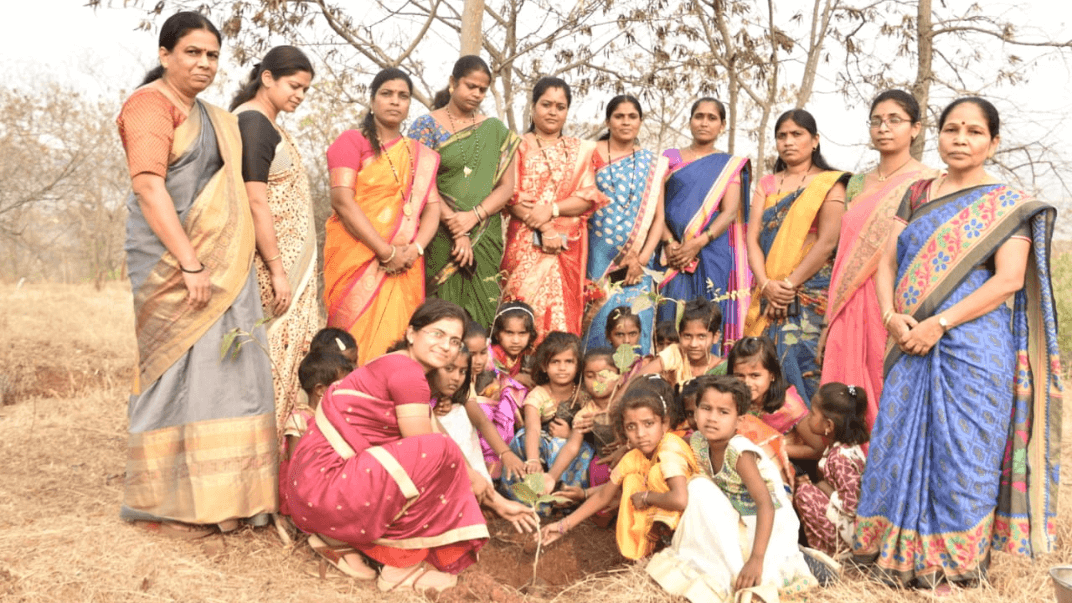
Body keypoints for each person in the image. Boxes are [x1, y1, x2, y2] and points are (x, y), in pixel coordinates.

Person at [854, 97, 1063, 590]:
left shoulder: (1008, 204)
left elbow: (1008, 281)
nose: (961, 140)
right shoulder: (918, 193)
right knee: (898, 440)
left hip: (972, 347)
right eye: (952, 130)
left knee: (962, 451)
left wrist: (939, 323)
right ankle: (895, 555)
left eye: (973, 132)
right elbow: (887, 262)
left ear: (993, 141)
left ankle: (954, 564)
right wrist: (891, 317)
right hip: (908, 340)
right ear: (938, 135)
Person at [117, 11, 276, 537]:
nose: (204, 63)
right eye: (192, 52)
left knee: (228, 374)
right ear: (165, 55)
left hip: (225, 265)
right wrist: (190, 262)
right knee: (172, 375)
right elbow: (149, 188)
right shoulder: (149, 106)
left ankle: (229, 497)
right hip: (172, 263)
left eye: (212, 54)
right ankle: (165, 501)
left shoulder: (220, 119)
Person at [282, 298, 538, 593]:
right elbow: (430, 452)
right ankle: (399, 570)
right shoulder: (408, 374)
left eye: (455, 341)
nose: (447, 346)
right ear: (412, 333)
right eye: (437, 334)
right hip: (326, 490)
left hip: (313, 492)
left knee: (443, 451)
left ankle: (337, 538)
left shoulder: (394, 364)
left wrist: (496, 499)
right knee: (439, 454)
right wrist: (479, 489)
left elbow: (434, 429)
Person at [818, 90, 935, 430]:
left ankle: (883, 466)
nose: (884, 127)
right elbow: (842, 249)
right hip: (847, 300)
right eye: (876, 121)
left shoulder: (928, 182)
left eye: (894, 120)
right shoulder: (855, 184)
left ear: (915, 128)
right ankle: (844, 467)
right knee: (841, 391)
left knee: (883, 385)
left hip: (892, 301)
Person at [646, 375, 817, 602]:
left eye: (723, 412)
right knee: (697, 487)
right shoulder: (698, 440)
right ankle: (719, 568)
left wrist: (756, 559)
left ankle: (743, 567)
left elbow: (766, 505)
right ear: (695, 412)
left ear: (739, 420)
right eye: (706, 408)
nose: (712, 418)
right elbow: (662, 443)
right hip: (736, 512)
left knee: (758, 577)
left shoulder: (739, 452)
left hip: (766, 519)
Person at [231, 46, 324, 441]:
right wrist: (277, 269)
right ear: (266, 78)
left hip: (290, 269)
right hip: (275, 271)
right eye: (293, 85)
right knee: (273, 362)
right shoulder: (253, 122)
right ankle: (260, 461)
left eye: (305, 89)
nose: (299, 95)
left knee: (291, 362)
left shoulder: (268, 122)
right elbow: (255, 200)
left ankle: (279, 469)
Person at [323, 68, 441, 366]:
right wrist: (385, 251)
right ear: (373, 100)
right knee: (351, 348)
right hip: (360, 260)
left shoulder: (419, 155)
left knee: (399, 344)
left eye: (403, 96)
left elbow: (432, 207)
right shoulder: (351, 142)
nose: (395, 101)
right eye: (386, 94)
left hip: (406, 263)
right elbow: (342, 201)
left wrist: (415, 249)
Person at [744, 108, 848, 403]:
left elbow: (828, 241)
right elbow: (752, 238)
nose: (788, 142)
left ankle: (812, 438)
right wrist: (766, 285)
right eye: (782, 136)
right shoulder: (766, 184)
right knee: (762, 367)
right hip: (768, 293)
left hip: (809, 293)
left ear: (814, 140)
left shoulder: (830, 182)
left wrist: (788, 286)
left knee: (803, 365)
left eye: (796, 135)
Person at [407, 56, 521, 326]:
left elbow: (507, 188)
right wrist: (457, 228)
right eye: (470, 86)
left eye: (482, 89)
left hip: (484, 235)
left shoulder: (494, 129)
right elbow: (421, 183)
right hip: (438, 234)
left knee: (482, 319)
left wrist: (474, 216)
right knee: (438, 315)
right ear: (452, 83)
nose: (476, 94)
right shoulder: (425, 127)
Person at [542, 379, 698, 560]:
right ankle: (643, 552)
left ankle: (673, 548)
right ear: (624, 431)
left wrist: (646, 498)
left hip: (694, 521)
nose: (640, 434)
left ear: (664, 424)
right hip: (672, 514)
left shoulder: (670, 449)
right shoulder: (633, 456)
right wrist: (562, 526)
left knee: (654, 476)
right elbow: (603, 496)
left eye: (648, 424)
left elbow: (680, 500)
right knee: (631, 480)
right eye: (631, 427)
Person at [500, 77, 600, 342]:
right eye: (546, 104)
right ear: (533, 107)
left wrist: (552, 210)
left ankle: (559, 374)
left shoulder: (579, 151)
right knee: (520, 311)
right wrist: (545, 227)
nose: (553, 112)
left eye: (560, 106)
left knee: (561, 320)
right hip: (524, 243)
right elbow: (510, 195)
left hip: (567, 248)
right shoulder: (516, 145)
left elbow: (587, 197)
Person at [659, 98, 751, 353]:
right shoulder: (670, 158)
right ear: (690, 121)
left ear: (722, 126)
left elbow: (730, 211)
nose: (704, 122)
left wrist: (697, 243)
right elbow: (657, 208)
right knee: (669, 316)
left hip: (712, 252)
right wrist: (668, 242)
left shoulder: (728, 165)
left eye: (712, 118)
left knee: (709, 318)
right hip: (672, 252)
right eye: (699, 116)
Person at [585, 95, 666, 355]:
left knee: (634, 327)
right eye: (619, 116)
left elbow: (658, 218)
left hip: (637, 265)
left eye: (632, 117)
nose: (625, 122)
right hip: (596, 260)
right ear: (608, 120)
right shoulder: (588, 154)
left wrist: (641, 260)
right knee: (597, 326)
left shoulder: (652, 163)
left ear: (640, 122)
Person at [501, 332, 593, 513]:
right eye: (555, 362)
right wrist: (533, 459)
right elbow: (533, 428)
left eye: (569, 362)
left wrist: (568, 434)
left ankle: (565, 494)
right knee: (523, 437)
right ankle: (535, 496)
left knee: (576, 447)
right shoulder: (538, 394)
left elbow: (588, 430)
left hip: (571, 445)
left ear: (578, 365)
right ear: (544, 366)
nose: (562, 368)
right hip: (539, 449)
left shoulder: (583, 395)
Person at [729, 336, 823, 478]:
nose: (746, 383)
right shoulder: (731, 399)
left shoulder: (790, 405)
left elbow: (817, 449)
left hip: (790, 469)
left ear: (772, 375)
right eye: (739, 376)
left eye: (755, 375)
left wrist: (772, 447)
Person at [792, 383, 868, 556]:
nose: (809, 417)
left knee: (805, 494)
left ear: (828, 425)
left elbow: (852, 506)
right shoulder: (841, 449)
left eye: (812, 413)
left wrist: (821, 488)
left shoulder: (840, 459)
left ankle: (834, 554)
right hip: (846, 525)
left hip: (852, 533)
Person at [464, 321, 526, 479]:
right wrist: (505, 453)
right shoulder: (455, 380)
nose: (478, 360)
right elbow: (480, 420)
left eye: (483, 352)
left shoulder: (493, 376)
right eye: (472, 354)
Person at [430, 345, 493, 483]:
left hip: (462, 466)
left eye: (463, 371)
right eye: (449, 369)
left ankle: (482, 484)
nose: (456, 378)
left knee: (459, 412)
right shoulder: (415, 389)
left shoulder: (449, 398)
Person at [640, 297, 727, 386]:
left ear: (715, 337)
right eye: (687, 336)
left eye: (701, 336)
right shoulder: (673, 356)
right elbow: (636, 380)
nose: (693, 344)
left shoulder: (722, 368)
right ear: (679, 335)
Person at [489, 301, 537, 387]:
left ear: (530, 335)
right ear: (497, 334)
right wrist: (515, 379)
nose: (516, 341)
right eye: (509, 333)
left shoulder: (526, 354)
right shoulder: (491, 355)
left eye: (522, 333)